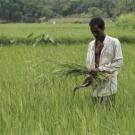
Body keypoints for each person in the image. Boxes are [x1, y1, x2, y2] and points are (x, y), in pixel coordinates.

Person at [84, 17, 123, 105]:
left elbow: (119, 63)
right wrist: (89, 76)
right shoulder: (91, 45)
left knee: (108, 114)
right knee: (96, 114)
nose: (95, 34)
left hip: (108, 86)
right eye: (92, 32)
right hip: (95, 86)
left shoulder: (114, 42)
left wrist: (100, 69)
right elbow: (89, 64)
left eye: (97, 32)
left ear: (103, 28)